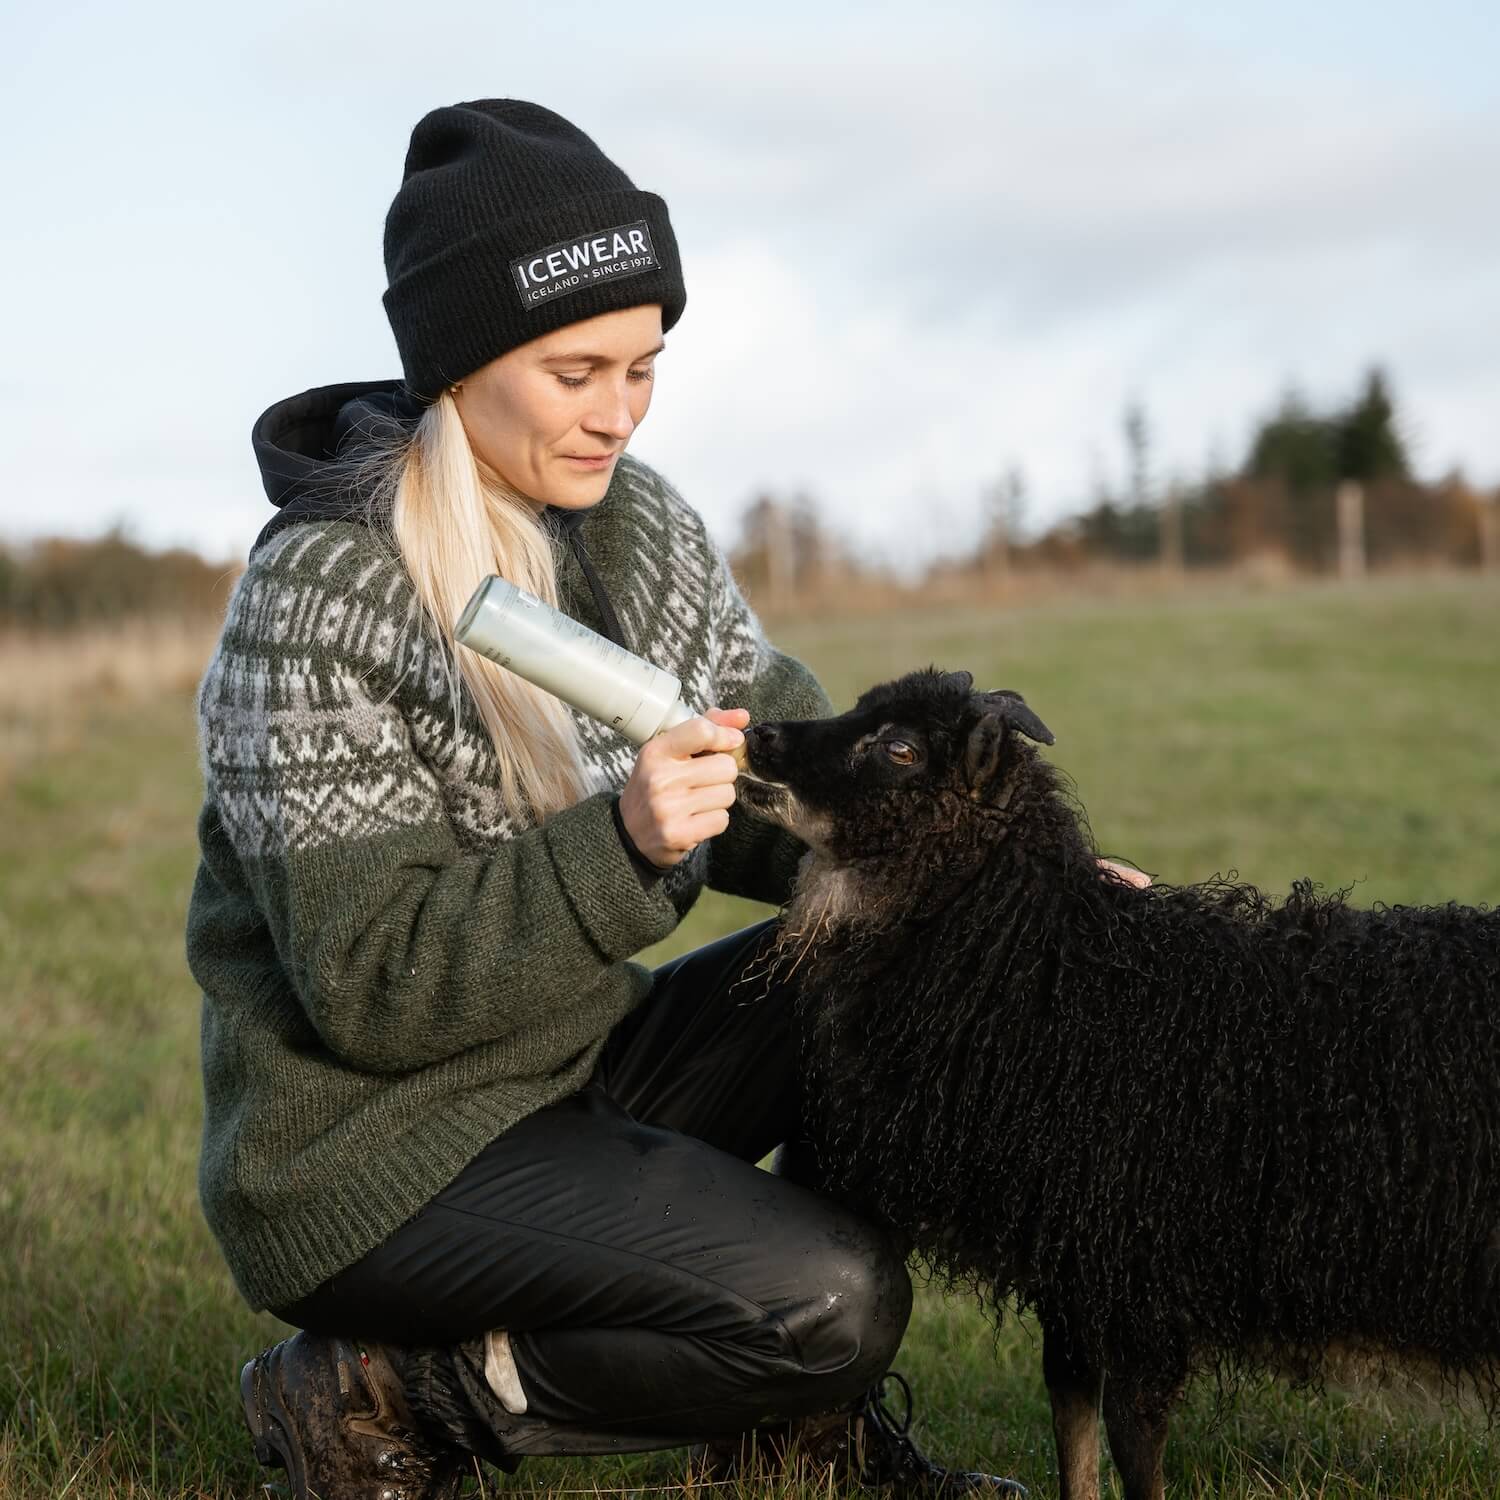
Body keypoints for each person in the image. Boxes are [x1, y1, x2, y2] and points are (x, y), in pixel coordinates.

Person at [188, 97, 1137, 1500]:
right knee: (834, 1298)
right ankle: (383, 1389)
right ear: (460, 365)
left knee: (883, 965)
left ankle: (792, 1442)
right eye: (576, 371)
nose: (619, 413)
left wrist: (1006, 897)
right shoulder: (320, 600)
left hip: (570, 1064)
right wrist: (624, 844)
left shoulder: (634, 524)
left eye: (643, 369)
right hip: (372, 1154)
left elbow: (783, 764)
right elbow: (370, 990)